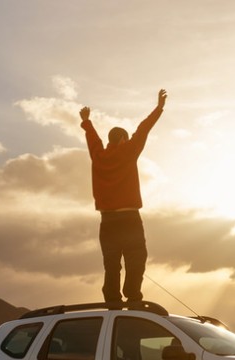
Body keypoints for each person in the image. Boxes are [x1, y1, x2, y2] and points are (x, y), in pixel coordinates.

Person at [79, 89, 167, 303]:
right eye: (127, 139)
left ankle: (112, 299)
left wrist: (86, 122)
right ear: (123, 140)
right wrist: (159, 108)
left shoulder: (98, 155)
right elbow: (143, 130)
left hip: (107, 221)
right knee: (136, 258)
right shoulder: (128, 151)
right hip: (129, 219)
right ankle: (132, 295)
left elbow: (93, 140)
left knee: (111, 263)